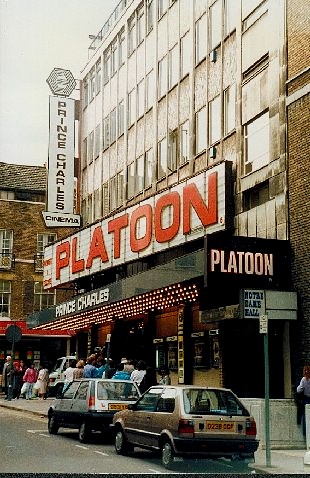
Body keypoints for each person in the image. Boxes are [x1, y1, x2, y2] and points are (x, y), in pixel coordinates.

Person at [297, 365, 310, 436]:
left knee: (306, 416)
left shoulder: (304, 379)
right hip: (307, 399)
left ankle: (306, 433)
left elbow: (298, 390)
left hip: (307, 399)